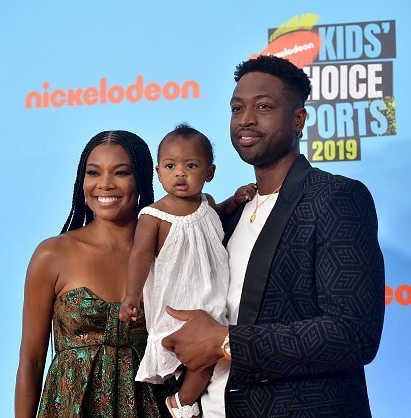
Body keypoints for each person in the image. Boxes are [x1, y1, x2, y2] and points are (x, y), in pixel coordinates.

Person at [161, 55, 385, 417]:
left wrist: (225, 341)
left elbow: (353, 333)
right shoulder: (229, 214)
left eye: (263, 106)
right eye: (237, 108)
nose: (245, 119)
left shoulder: (336, 197)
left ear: (298, 119)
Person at [14, 131, 169, 418]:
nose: (105, 184)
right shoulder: (52, 255)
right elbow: (31, 361)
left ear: (142, 180)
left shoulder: (167, 252)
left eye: (121, 172)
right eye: (93, 172)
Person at [119, 124, 256, 418]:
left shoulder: (205, 203)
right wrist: (131, 295)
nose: (180, 173)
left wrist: (234, 201)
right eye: (171, 166)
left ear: (209, 173)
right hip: (177, 305)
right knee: (204, 356)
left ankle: (185, 401)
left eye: (190, 165)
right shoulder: (153, 216)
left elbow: (215, 215)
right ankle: (181, 403)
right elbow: (140, 256)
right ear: (158, 172)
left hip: (208, 299)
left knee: (215, 355)